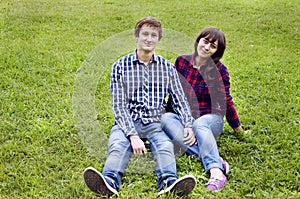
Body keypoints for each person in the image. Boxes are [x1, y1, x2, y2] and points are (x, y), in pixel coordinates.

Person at [83, 16, 197, 197]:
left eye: (153, 35)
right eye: (145, 34)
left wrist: (188, 124)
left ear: (158, 40)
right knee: (118, 144)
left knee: (165, 146)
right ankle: (108, 182)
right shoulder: (120, 66)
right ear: (137, 36)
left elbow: (180, 99)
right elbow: (119, 105)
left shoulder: (167, 68)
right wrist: (132, 135)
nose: (149, 39)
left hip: (155, 122)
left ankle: (169, 183)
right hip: (128, 120)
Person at [161, 27, 243, 191]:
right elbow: (174, 93)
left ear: (216, 51)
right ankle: (217, 159)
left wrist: (238, 129)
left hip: (210, 119)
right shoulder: (181, 62)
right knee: (165, 119)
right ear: (198, 40)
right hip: (184, 117)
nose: (206, 47)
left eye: (213, 46)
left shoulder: (220, 71)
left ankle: (216, 172)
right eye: (205, 41)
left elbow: (226, 100)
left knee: (199, 125)